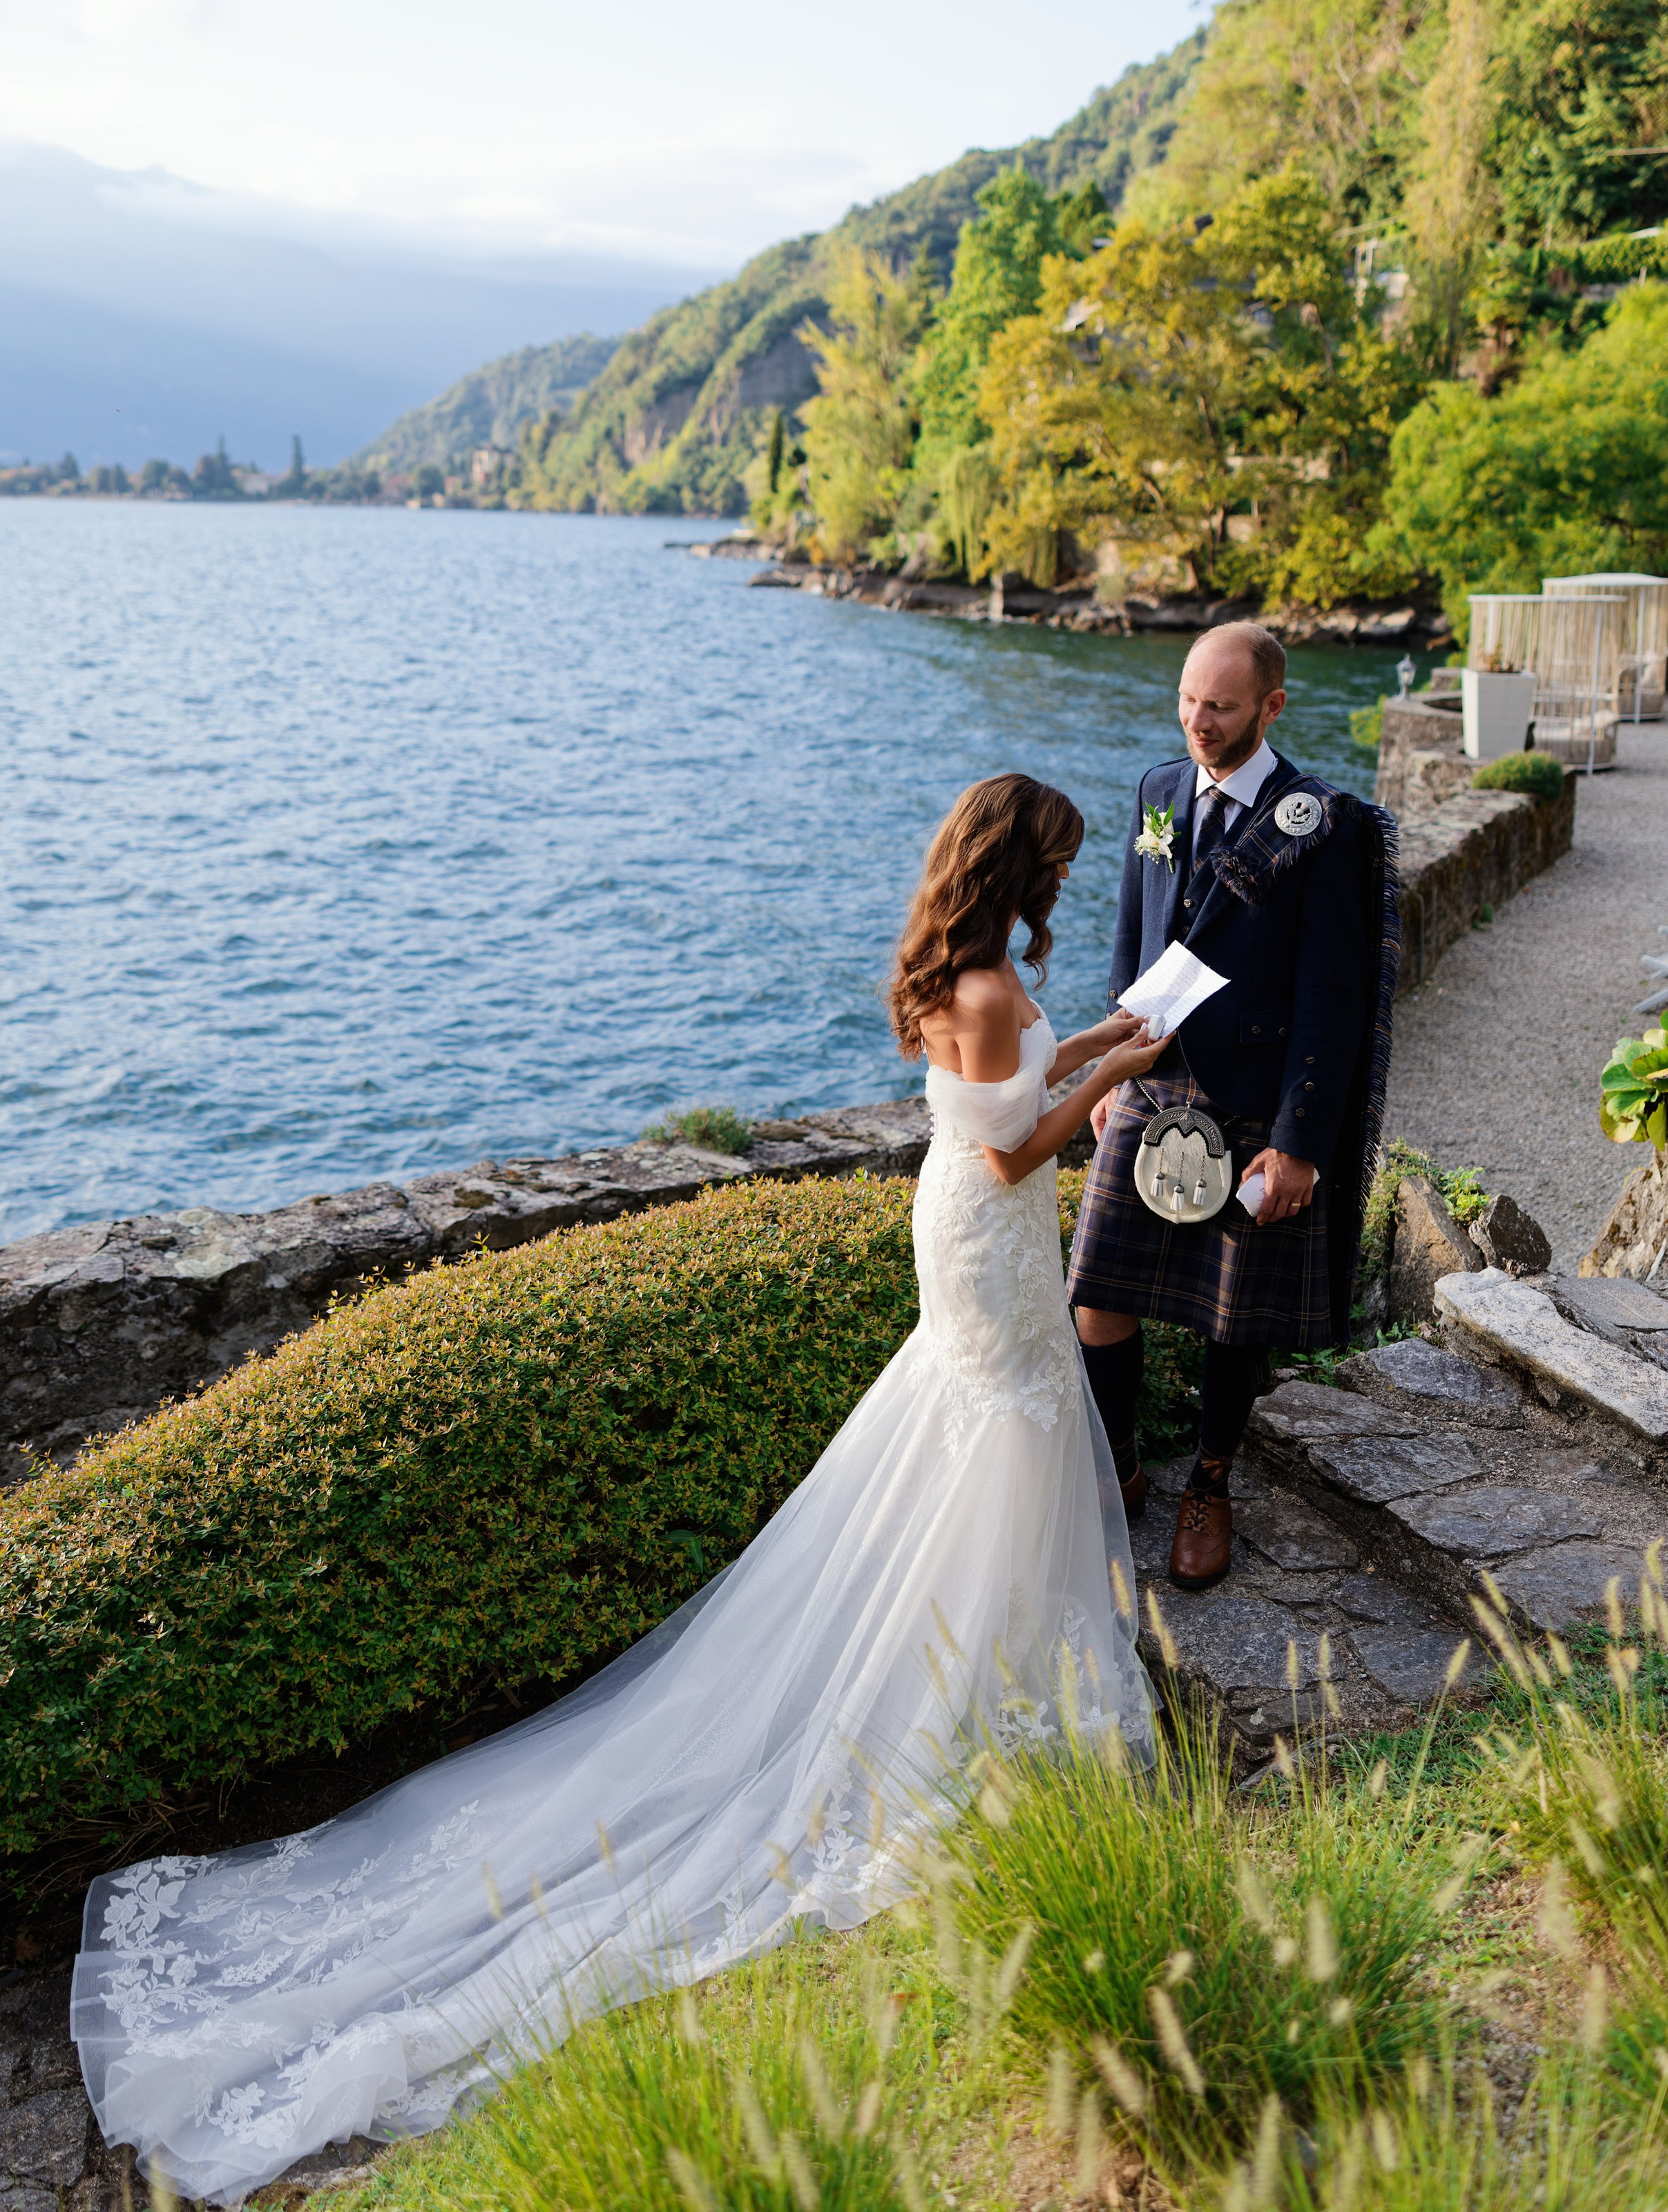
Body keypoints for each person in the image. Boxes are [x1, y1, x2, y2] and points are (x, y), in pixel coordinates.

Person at [71, 772, 1162, 2204]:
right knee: (1003, 1434)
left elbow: (1004, 1081)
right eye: (1058, 860)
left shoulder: (964, 978)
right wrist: (1111, 1084)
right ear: (1018, 863)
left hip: (963, 1231)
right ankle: (973, 1694)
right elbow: (1019, 1142)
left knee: (977, 1433)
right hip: (994, 1221)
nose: (1068, 879)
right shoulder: (985, 986)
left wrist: (1094, 1038)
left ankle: (980, 1664)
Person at [1066, 623, 1399, 1592]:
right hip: (1152, 1078)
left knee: (1232, 1315)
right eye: (1187, 699)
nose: (1197, 721)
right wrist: (1112, 1074)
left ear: (1271, 707)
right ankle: (1122, 1467)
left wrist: (1299, 1143)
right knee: (1097, 1295)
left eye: (1219, 705)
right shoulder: (1159, 789)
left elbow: (1332, 999)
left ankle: (1209, 1483)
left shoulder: (1320, 825)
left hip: (1255, 1096)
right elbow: (1133, 938)